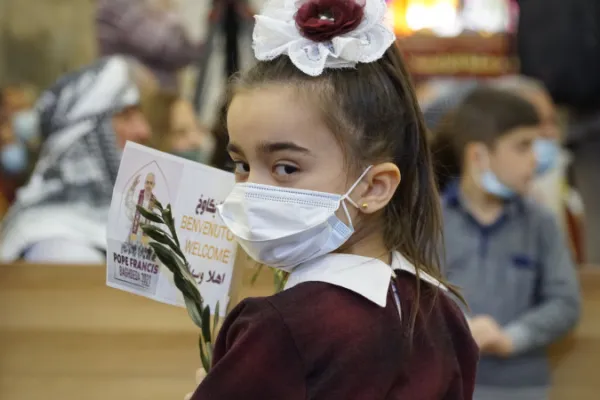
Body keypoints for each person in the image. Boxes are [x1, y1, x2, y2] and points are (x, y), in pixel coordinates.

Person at [187, 0, 478, 399]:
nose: (251, 189)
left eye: (285, 167)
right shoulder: (443, 312)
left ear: (374, 187)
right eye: (241, 164)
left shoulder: (282, 326)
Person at [433, 87, 581, 400]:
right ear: (478, 156)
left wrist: (510, 338)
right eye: (523, 145)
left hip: (523, 387)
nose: (535, 159)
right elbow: (414, 299)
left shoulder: (541, 223)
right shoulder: (431, 222)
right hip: (446, 384)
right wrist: (463, 331)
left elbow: (565, 302)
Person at [0, 56, 152, 263]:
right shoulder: (59, 248)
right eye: (125, 116)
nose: (144, 131)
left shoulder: (121, 226)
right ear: (86, 138)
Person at [96, 0, 204, 92]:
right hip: (140, 99)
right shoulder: (120, 4)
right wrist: (167, 11)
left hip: (148, 97)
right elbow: (175, 48)